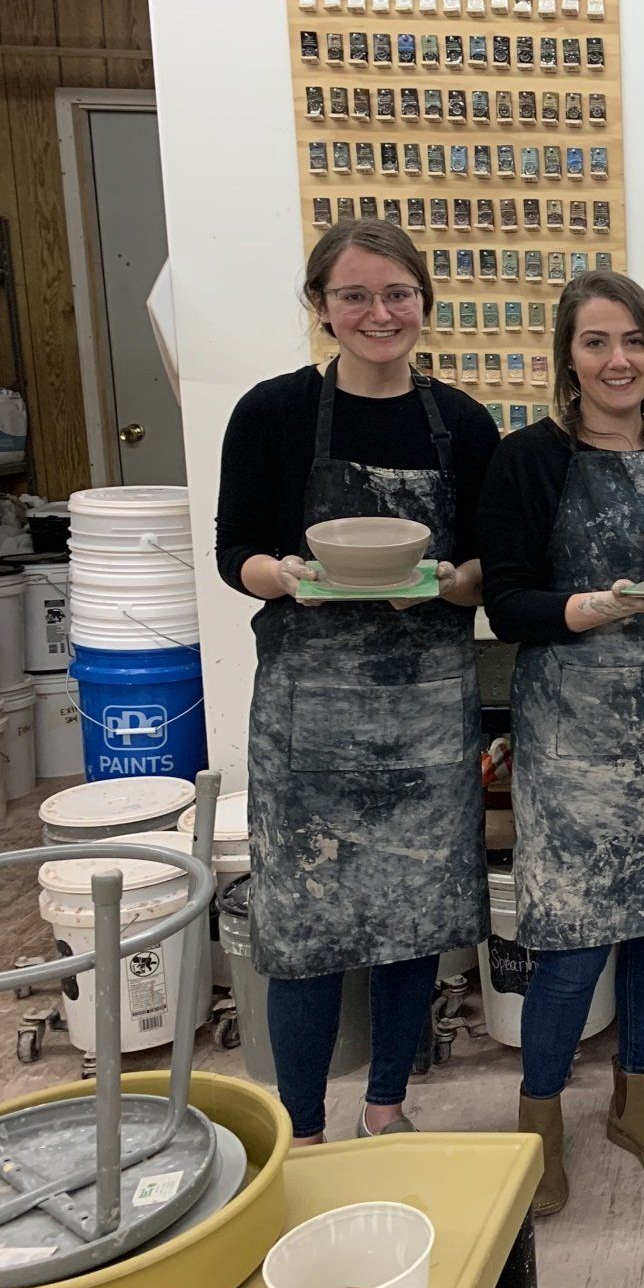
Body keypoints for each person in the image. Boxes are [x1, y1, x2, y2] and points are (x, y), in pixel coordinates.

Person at [215, 218, 497, 1146]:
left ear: (424, 300)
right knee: (305, 928)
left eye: (397, 294)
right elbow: (234, 553)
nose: (380, 313)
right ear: (322, 308)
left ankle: (386, 1105)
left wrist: (458, 583)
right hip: (311, 710)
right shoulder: (275, 411)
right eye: (355, 296)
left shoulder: (461, 422)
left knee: (415, 917)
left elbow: (487, 567)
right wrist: (286, 574)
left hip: (425, 707)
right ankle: (300, 1131)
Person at [481, 271, 644, 1214]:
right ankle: (540, 1118)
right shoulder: (527, 461)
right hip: (574, 732)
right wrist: (597, 606)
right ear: (569, 357)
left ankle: (641, 1100)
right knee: (570, 940)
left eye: (633, 341)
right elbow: (506, 601)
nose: (617, 360)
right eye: (596, 342)